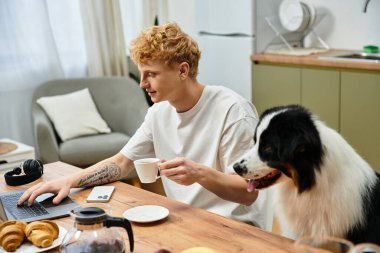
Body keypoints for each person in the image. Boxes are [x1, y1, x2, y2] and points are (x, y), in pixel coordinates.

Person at [18, 22, 265, 226]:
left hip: (236, 228)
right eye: (141, 73)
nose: (142, 83)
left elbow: (247, 191)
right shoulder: (158, 113)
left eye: (151, 74)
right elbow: (122, 163)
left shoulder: (233, 111)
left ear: (182, 70)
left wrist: (199, 173)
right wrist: (68, 181)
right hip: (188, 220)